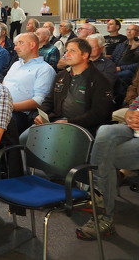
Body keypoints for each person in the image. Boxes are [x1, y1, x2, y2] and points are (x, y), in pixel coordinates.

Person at [75, 97, 139, 240]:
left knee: (104, 155)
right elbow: (132, 109)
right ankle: (101, 207)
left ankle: (101, 210)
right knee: (105, 132)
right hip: (133, 130)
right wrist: (131, 117)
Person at [24, 38, 112, 137]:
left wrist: (69, 122)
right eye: (66, 51)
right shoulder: (62, 75)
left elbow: (99, 113)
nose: (66, 54)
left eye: (72, 51)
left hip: (82, 128)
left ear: (85, 55)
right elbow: (50, 100)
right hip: (55, 121)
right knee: (24, 138)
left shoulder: (99, 80)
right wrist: (41, 114)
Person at [2, 32, 55, 134]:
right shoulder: (16, 64)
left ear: (32, 45)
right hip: (2, 107)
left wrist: (9, 106)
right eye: (16, 44)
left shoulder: (44, 69)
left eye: (20, 43)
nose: (15, 48)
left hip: (19, 114)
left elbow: (39, 101)